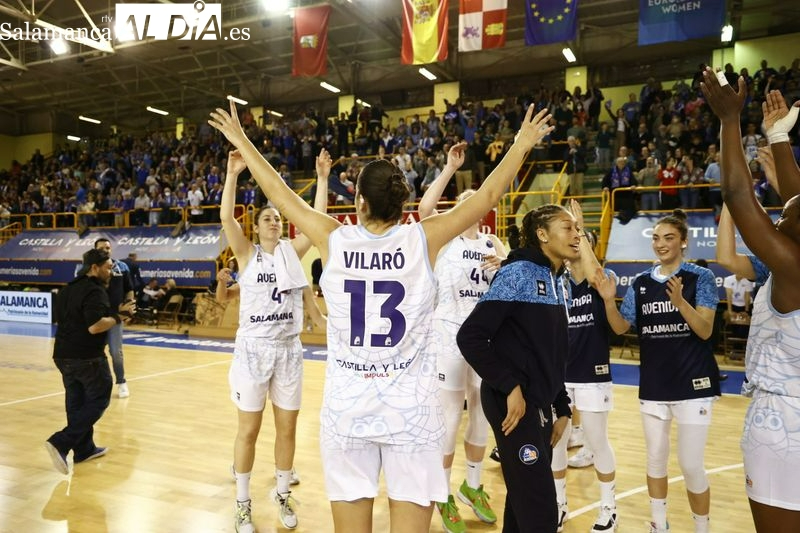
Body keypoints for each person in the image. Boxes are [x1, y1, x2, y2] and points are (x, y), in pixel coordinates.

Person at [209, 100, 553, 533]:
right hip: (411, 414)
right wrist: (521, 143)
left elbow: (278, 191)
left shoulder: (333, 237)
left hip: (348, 414)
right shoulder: (422, 239)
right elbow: (487, 196)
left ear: (359, 201)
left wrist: (241, 139)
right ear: (399, 203)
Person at [701, 71, 800, 532]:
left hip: (784, 426)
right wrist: (778, 136)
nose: (785, 207)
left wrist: (729, 120)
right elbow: (797, 195)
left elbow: (739, 195)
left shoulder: (793, 269)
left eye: (788, 212)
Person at [218, 147, 330, 533]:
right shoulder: (247, 254)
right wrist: (233, 174)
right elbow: (226, 216)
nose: (274, 223)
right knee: (248, 430)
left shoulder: (289, 252)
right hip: (253, 351)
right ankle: (242, 503)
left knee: (287, 429)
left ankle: (282, 494)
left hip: (288, 351)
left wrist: (324, 179)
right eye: (268, 218)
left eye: (278, 219)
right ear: (257, 226)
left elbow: (315, 224)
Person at [456, 204, 580, 533]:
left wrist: (561, 405)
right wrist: (510, 386)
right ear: (542, 234)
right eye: (567, 228)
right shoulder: (518, 273)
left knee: (522, 500)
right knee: (540, 508)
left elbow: (551, 353)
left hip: (536, 402)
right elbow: (470, 336)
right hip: (510, 402)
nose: (576, 234)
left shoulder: (559, 280)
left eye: (576, 228)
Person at [598, 209, 720, 533]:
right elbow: (622, 327)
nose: (661, 244)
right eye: (655, 238)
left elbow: (706, 330)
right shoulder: (640, 283)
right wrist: (609, 302)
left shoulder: (700, 278)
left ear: (683, 241)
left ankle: (702, 528)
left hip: (694, 383)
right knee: (654, 459)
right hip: (654, 384)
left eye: (668, 238)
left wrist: (681, 303)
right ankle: (658, 525)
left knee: (691, 465)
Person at [418, 144, 506, 532]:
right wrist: (450, 168)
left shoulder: (493, 244)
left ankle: (473, 486)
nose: (471, 207)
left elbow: (510, 287)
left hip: (486, 341)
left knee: (482, 413)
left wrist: (505, 265)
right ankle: (442, 493)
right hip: (449, 337)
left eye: (475, 201)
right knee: (449, 419)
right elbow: (424, 210)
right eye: (464, 202)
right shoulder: (447, 240)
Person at [550, 203, 618, 533]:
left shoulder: (599, 281)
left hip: (592, 374)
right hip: (561, 376)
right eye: (572, 236)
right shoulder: (557, 283)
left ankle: (609, 507)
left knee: (596, 441)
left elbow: (593, 273)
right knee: (557, 443)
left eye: (580, 237)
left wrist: (579, 227)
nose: (575, 242)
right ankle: (559, 504)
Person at [44, 249, 137, 475]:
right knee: (99, 398)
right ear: (94, 267)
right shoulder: (94, 291)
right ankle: (61, 441)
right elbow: (95, 326)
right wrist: (119, 316)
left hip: (62, 355)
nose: (110, 271)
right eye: (107, 267)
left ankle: (84, 449)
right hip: (86, 357)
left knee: (76, 403)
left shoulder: (67, 290)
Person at [93, 238, 134, 399]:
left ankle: (121, 381)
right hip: (96, 317)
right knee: (94, 352)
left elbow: (129, 289)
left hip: (115, 317)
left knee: (116, 352)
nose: (106, 250)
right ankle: (96, 384)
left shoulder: (122, 267)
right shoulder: (91, 268)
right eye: (102, 248)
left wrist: (129, 306)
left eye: (108, 247)